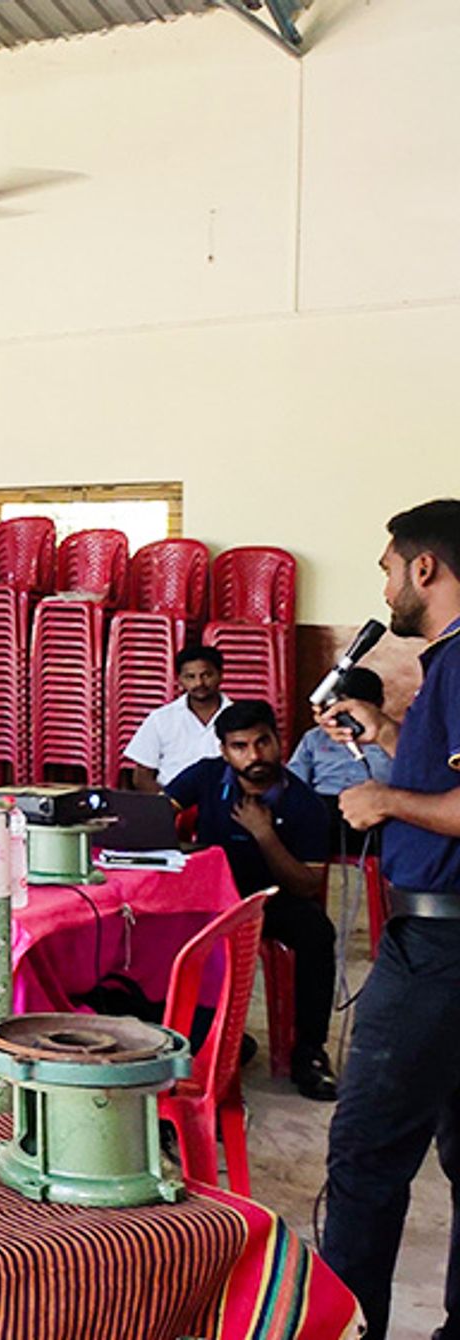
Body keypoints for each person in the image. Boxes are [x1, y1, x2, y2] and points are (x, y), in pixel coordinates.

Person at [315, 500, 460, 1336]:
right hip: (446, 936)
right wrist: (386, 728)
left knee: (367, 1151)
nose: (385, 585)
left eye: (386, 568)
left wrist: (381, 798)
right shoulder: (446, 665)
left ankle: (341, 1325)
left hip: (440, 945)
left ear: (425, 568)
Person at [165, 700, 336, 1100]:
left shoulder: (305, 804)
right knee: (154, 929)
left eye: (263, 742)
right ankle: (205, 1037)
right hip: (211, 900)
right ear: (224, 751)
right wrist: (182, 847)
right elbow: (158, 812)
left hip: (272, 902)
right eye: (240, 746)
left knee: (316, 933)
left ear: (279, 742)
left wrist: (265, 836)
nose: (255, 755)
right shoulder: (207, 777)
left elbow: (308, 885)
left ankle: (309, 1051)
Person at [289, 667, 395, 825]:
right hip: (324, 810)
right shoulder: (315, 738)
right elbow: (294, 783)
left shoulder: (393, 739)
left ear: (378, 706)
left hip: (375, 813)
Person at [125, 645, 232, 791]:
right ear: (179, 679)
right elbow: (141, 776)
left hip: (222, 801)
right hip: (171, 802)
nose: (199, 683)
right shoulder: (160, 719)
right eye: (190, 677)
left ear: (220, 675)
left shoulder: (238, 717)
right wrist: (168, 804)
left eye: (206, 675)